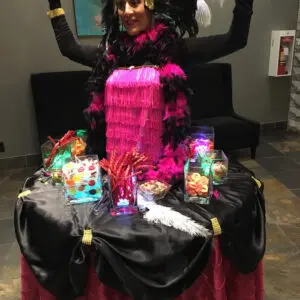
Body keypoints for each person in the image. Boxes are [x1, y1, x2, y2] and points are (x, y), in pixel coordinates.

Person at [47, 0, 254, 184]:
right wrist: (54, 4)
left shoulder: (174, 49)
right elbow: (69, 47)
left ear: (150, 4)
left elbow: (235, 40)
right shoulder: (111, 55)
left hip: (161, 172)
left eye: (134, 2)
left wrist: (244, 4)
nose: (126, 11)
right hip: (117, 170)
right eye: (120, 5)